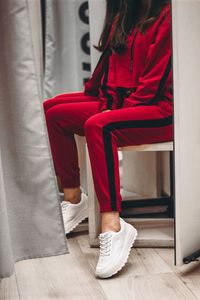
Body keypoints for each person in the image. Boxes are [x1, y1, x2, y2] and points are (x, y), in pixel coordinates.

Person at [43, 0, 173, 279]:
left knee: (99, 125)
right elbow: (113, 61)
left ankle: (113, 224)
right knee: (52, 111)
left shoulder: (167, 14)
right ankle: (74, 197)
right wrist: (95, 94)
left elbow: (154, 82)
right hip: (126, 101)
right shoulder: (126, 11)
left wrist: (118, 110)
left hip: (163, 109)